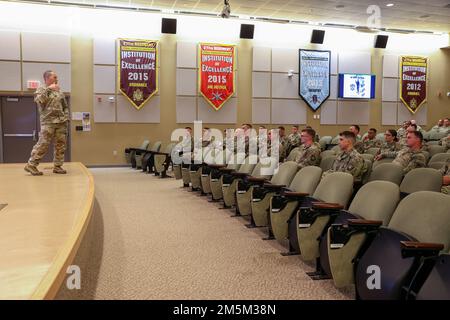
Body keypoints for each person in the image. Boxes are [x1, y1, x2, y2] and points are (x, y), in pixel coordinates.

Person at [25, 70, 69, 176]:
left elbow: (65, 106)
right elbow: (39, 100)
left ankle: (58, 166)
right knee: (43, 144)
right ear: (47, 78)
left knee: (60, 145)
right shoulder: (41, 89)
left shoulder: (59, 91)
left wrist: (66, 117)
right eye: (54, 77)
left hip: (61, 122)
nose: (57, 79)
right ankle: (31, 165)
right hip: (48, 122)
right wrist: (49, 89)